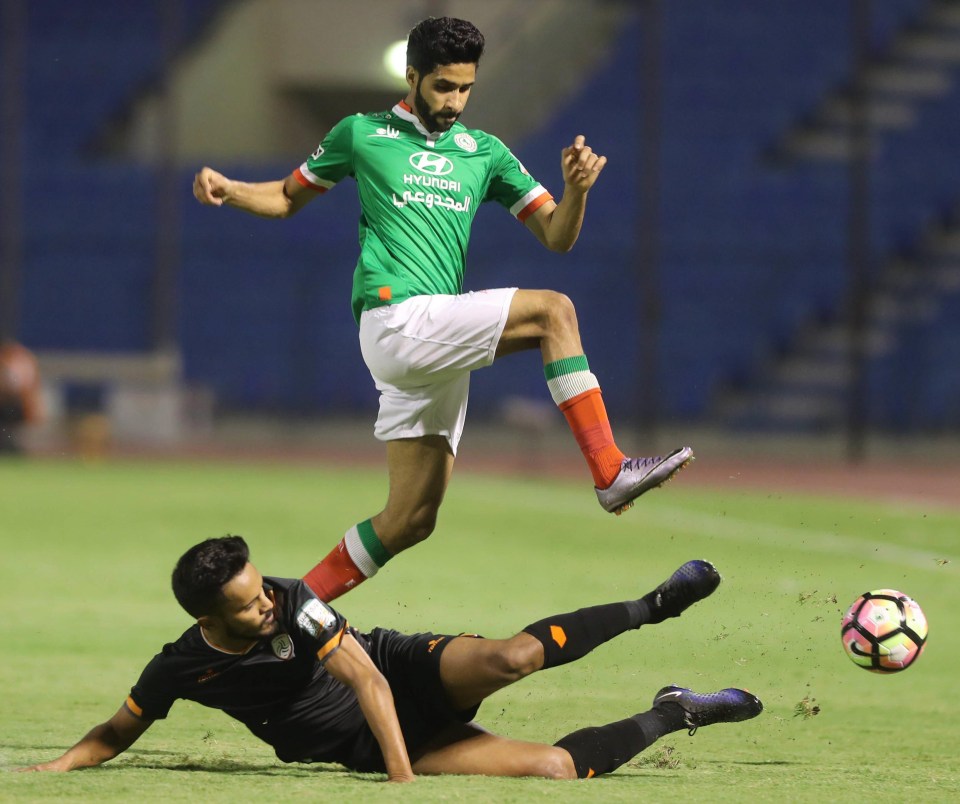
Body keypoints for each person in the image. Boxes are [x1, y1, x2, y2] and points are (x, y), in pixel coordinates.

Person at [192, 17, 694, 601]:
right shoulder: (361, 133)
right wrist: (230, 189)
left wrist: (577, 191)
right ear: (412, 76)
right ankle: (609, 469)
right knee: (554, 312)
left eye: (465, 89)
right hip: (395, 320)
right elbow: (285, 196)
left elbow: (557, 236)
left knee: (410, 520)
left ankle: (289, 613)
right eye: (443, 87)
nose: (455, 101)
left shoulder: (485, 153)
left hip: (436, 341)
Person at [20, 536, 762, 781]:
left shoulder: (294, 600)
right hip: (357, 744)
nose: (267, 604)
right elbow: (119, 730)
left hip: (393, 672)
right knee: (555, 771)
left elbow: (366, 675)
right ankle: (674, 712)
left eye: (261, 590)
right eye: (247, 606)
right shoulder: (179, 667)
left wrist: (403, 782)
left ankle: (651, 608)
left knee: (512, 658)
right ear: (207, 619)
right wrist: (53, 769)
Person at [0, 339, 44, 454]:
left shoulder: (23, 362)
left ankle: (9, 445)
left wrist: (34, 408)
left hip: (14, 405)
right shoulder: (7, 361)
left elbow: (28, 390)